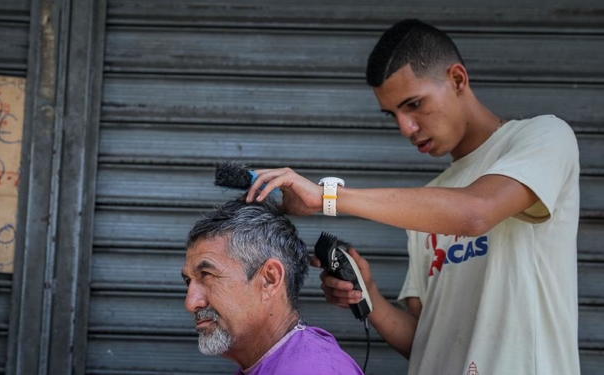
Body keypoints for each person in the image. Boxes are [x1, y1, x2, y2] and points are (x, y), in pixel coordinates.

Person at [245, 19, 581, 375]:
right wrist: (368, 294)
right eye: (394, 114)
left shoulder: (544, 136)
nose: (405, 128)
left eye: (414, 104)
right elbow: (426, 341)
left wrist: (327, 197)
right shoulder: (426, 203)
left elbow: (476, 213)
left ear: (457, 80)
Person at [182, 198, 365, 375]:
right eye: (188, 281)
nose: (191, 303)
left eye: (206, 275)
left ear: (269, 279)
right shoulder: (274, 361)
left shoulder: (310, 369)